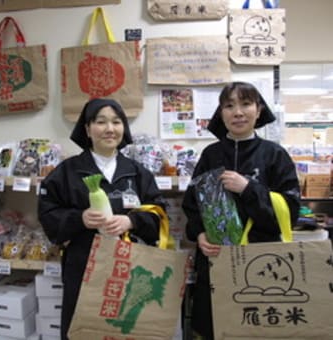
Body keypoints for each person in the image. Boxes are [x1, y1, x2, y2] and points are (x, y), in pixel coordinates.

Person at [38, 98, 166, 340]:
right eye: (101, 122)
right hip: (83, 264)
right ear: (87, 129)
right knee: (83, 328)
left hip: (131, 267)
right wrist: (80, 218)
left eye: (116, 122)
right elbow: (47, 213)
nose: (110, 128)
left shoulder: (138, 172)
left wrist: (132, 222)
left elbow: (159, 212)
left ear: (123, 128)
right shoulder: (67, 171)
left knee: (127, 327)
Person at [182, 81, 300, 340]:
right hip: (216, 260)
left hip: (262, 263)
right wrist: (199, 234)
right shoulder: (210, 155)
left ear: (258, 110)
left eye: (246, 104)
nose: (237, 112)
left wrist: (248, 188)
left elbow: (290, 212)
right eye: (229, 105)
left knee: (257, 327)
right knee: (213, 327)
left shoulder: (275, 155)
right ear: (221, 114)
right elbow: (192, 206)